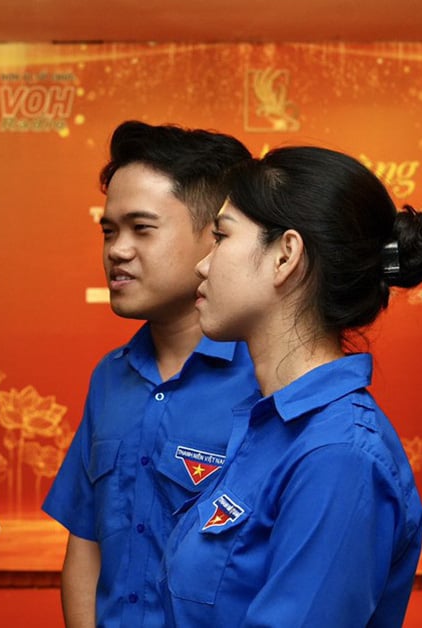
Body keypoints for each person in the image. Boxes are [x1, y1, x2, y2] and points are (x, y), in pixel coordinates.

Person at [161, 146, 422, 626]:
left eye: (221, 237)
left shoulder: (338, 456)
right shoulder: (270, 423)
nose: (202, 265)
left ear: (285, 256)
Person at [41, 120, 259, 627]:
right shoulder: (110, 379)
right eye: (109, 231)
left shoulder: (267, 384)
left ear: (215, 238)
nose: (117, 249)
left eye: (142, 229)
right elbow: (87, 543)